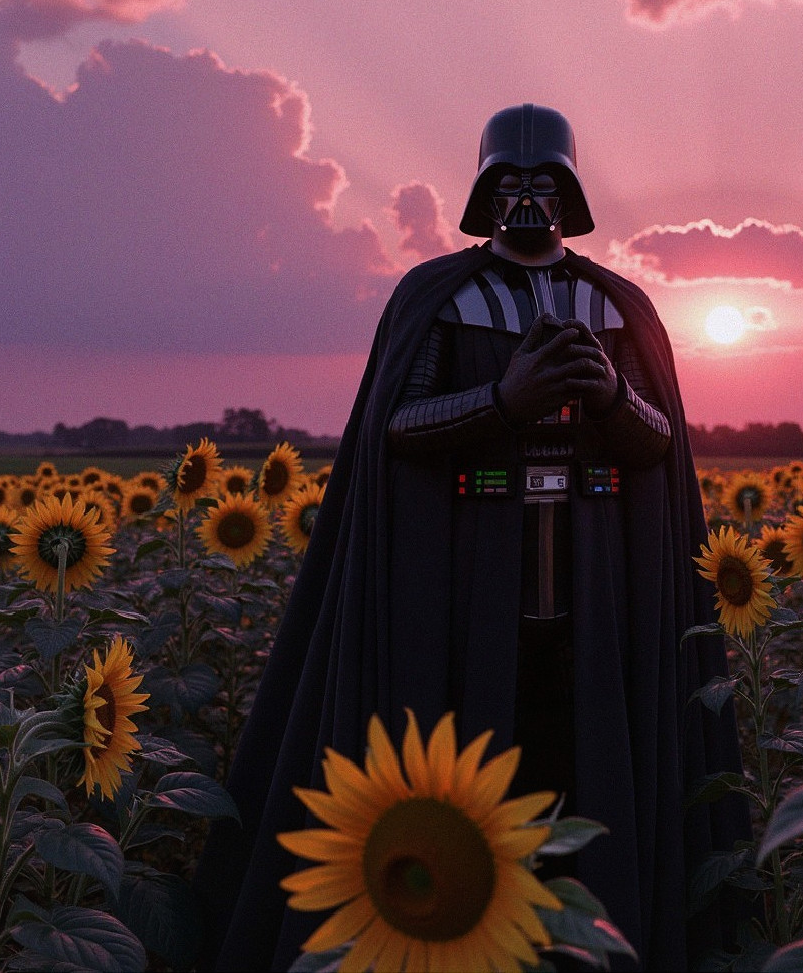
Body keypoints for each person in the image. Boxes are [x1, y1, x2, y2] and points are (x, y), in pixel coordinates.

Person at [195, 104, 746, 971]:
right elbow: (397, 427)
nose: (528, 198)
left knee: (583, 769)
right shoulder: (441, 299)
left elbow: (658, 447)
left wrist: (605, 394)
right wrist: (502, 402)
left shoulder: (612, 304)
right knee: (466, 766)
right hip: (466, 579)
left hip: (593, 583)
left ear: (571, 192)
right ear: (485, 192)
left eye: (545, 182)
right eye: (510, 182)